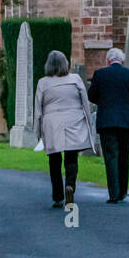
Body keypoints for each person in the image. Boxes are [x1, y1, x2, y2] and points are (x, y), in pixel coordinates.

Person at [35, 49, 95, 209]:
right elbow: (85, 102)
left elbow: (38, 110)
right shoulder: (75, 79)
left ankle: (57, 196)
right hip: (73, 120)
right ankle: (70, 186)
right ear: (65, 64)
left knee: (54, 160)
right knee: (71, 157)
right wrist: (89, 124)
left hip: (52, 122)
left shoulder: (43, 82)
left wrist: (38, 133)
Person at [88, 48, 129, 203]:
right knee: (124, 156)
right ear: (122, 61)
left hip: (107, 121)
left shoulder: (100, 74)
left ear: (108, 60)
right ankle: (123, 191)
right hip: (125, 120)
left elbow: (91, 95)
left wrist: (105, 102)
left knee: (111, 156)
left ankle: (113, 193)